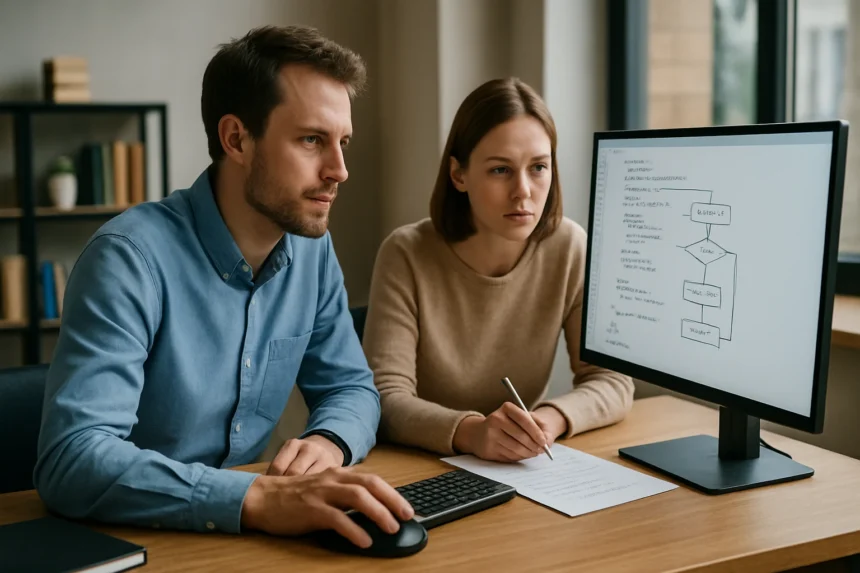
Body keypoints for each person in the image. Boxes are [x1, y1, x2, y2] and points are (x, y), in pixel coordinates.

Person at [34, 25, 412, 549]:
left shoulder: (311, 249)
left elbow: (351, 388)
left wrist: (329, 441)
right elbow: (71, 460)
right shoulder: (127, 259)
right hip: (134, 542)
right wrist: (255, 498)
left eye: (342, 142)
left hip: (255, 540)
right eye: (312, 140)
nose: (340, 170)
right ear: (236, 138)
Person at [362, 77, 635, 462]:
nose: (523, 190)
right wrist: (472, 433)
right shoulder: (406, 253)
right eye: (500, 170)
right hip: (418, 466)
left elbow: (611, 380)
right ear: (459, 174)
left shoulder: (569, 247)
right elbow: (384, 398)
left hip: (518, 466)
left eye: (538, 167)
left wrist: (548, 420)